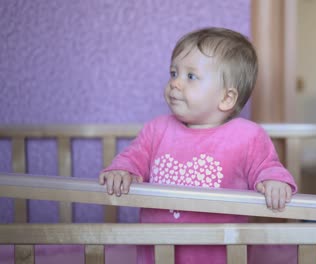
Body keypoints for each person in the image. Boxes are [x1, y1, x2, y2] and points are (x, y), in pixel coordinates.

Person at [99, 27, 297, 264]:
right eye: (174, 73)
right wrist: (123, 170)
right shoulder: (157, 129)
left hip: (220, 255)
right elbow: (133, 157)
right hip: (158, 254)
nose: (175, 83)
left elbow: (267, 166)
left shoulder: (247, 136)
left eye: (190, 76)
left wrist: (274, 181)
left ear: (226, 98)